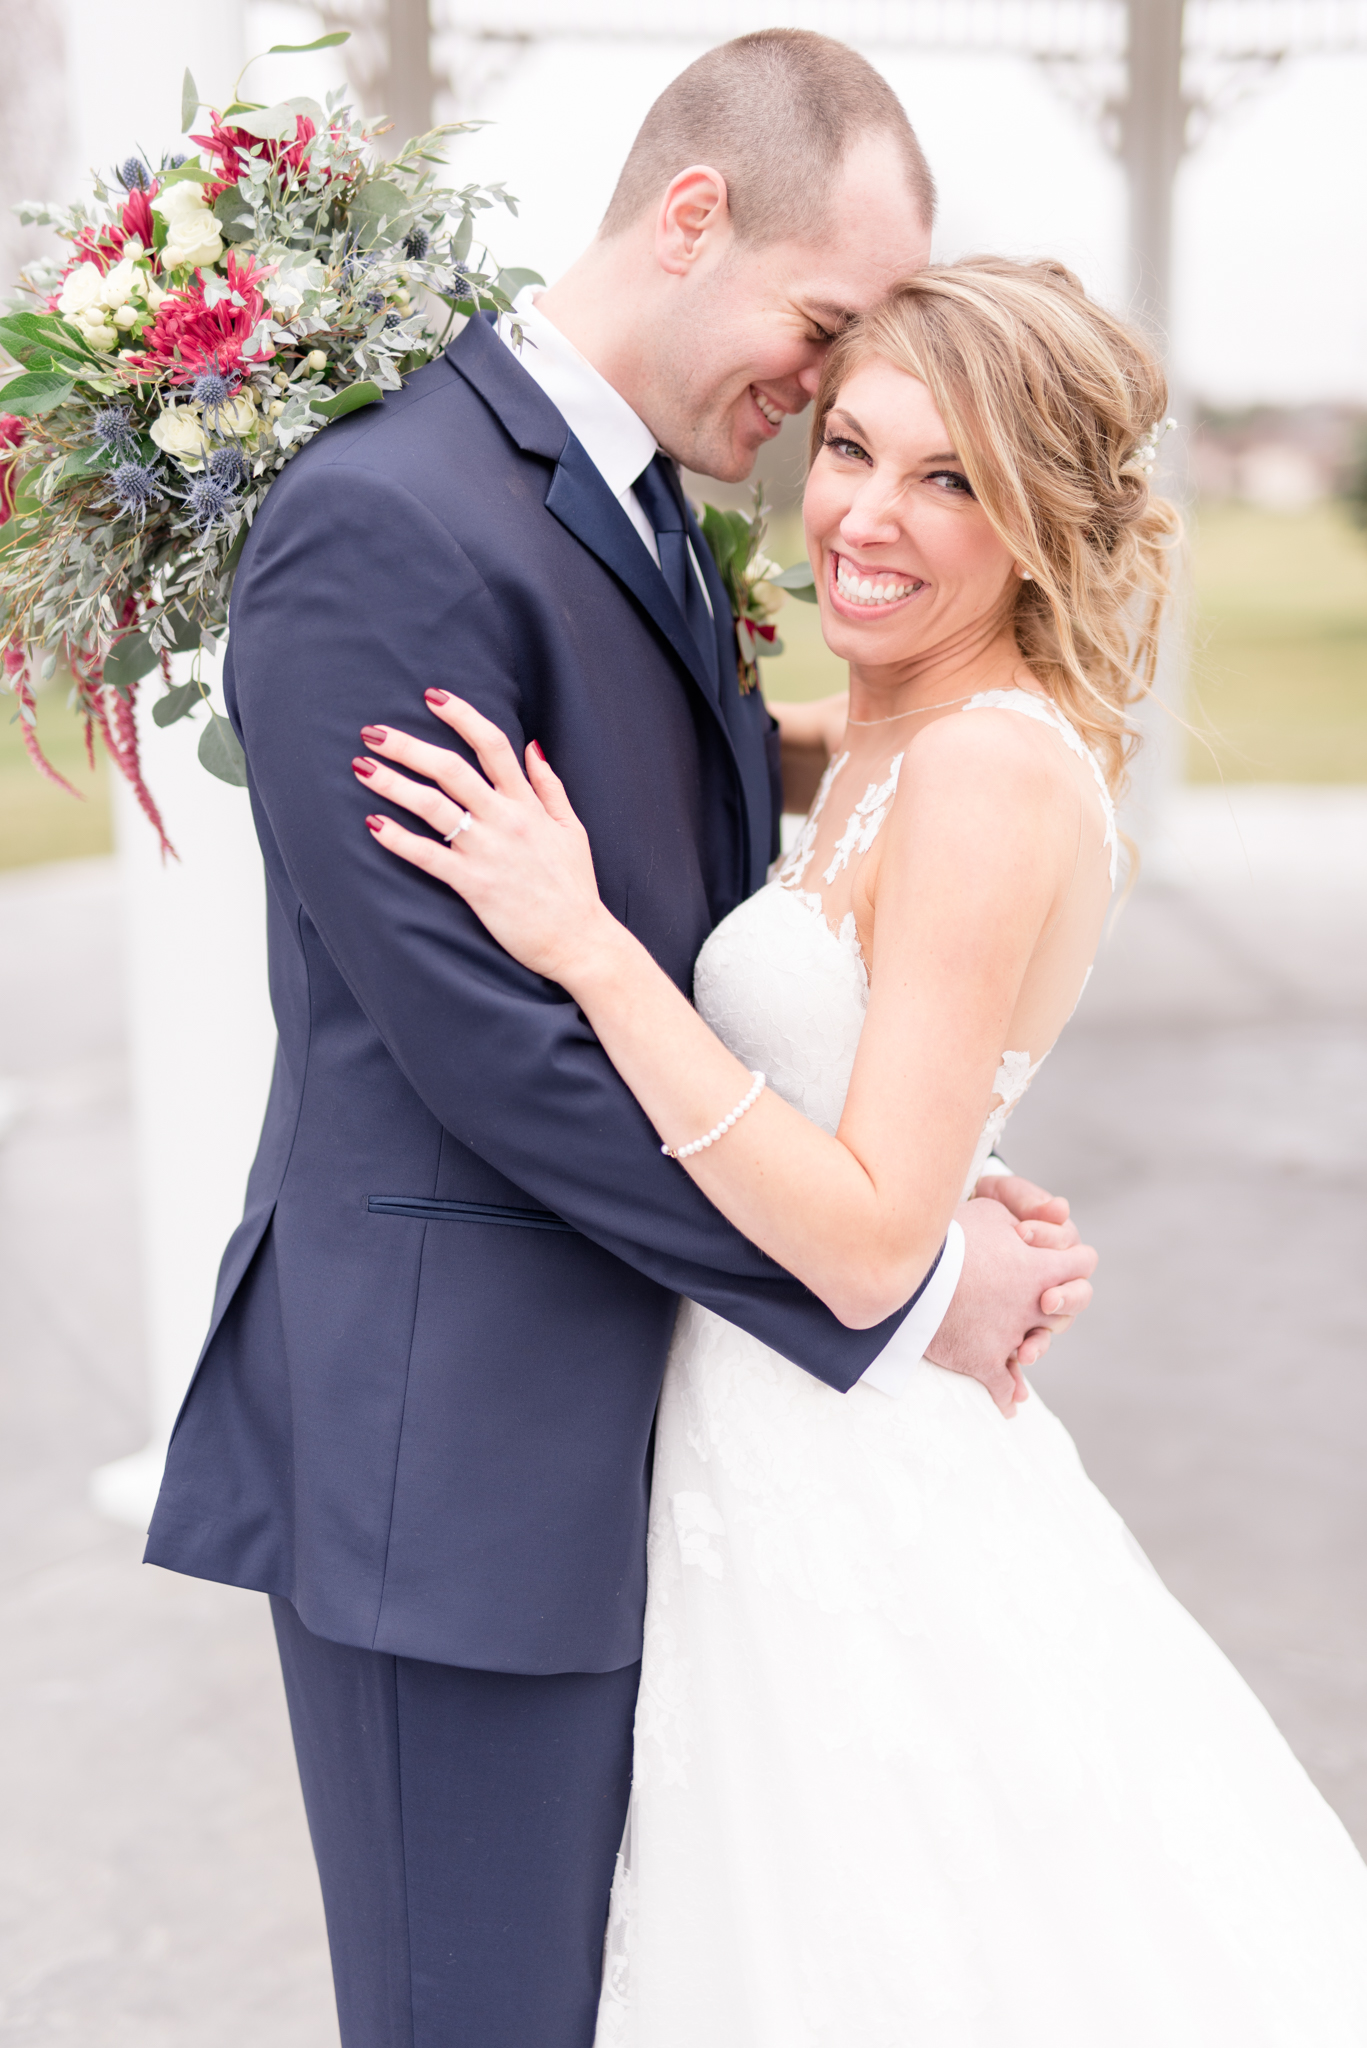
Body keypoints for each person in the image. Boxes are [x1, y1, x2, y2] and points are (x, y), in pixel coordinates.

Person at [143, 32, 1097, 2048]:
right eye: (824, 333)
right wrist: (894, 1279)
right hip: (457, 1474)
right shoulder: (390, 519)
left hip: (640, 1444)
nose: (826, 396)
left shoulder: (644, 507)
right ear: (692, 218)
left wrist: (908, 1140)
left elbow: (707, 863)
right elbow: (502, 1052)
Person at [360, 259, 1367, 2043]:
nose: (865, 520)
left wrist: (584, 943)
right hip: (758, 1445)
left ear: (1047, 518)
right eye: (849, 449)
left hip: (850, 1469)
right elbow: (726, 749)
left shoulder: (988, 771)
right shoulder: (899, 722)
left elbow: (865, 1248)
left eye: (949, 479)